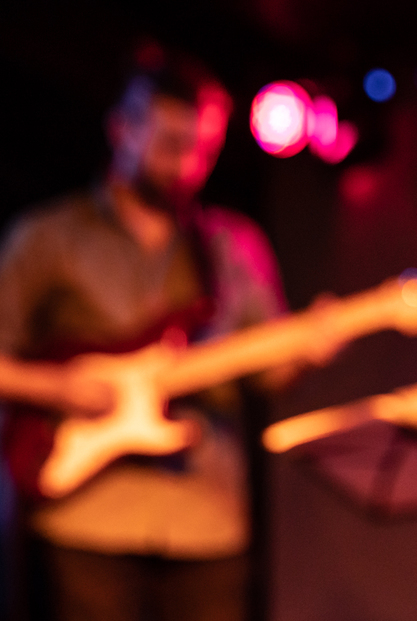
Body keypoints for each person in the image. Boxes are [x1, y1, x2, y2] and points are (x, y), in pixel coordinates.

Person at [0, 47, 339, 621]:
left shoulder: (232, 247)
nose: (185, 164)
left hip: (206, 521)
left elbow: (268, 376)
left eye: (201, 149)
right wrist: (64, 390)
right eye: (168, 144)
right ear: (121, 130)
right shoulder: (48, 238)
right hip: (85, 516)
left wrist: (311, 349)